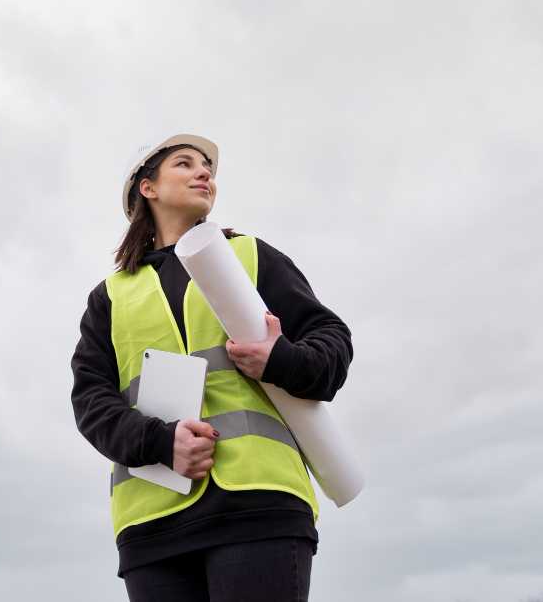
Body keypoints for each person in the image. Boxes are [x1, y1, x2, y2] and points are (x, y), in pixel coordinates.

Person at [70, 134, 353, 602]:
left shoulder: (250, 257)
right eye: (185, 164)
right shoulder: (111, 296)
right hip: (152, 528)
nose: (205, 174)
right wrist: (159, 443)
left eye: (208, 168)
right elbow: (90, 401)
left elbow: (333, 348)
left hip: (259, 506)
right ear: (148, 188)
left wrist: (279, 360)